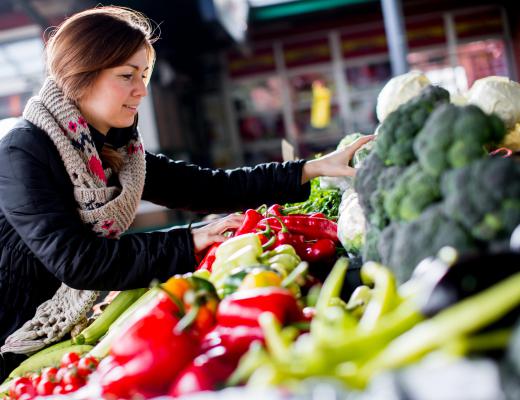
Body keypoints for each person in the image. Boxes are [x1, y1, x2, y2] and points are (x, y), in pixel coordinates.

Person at [0, 6, 372, 379]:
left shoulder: (116, 151)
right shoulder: (24, 152)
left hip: (56, 333)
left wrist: (309, 169)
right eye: (127, 75)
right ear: (82, 75)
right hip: (11, 338)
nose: (141, 90)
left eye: (144, 75)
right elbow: (78, 261)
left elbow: (209, 188)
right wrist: (189, 241)